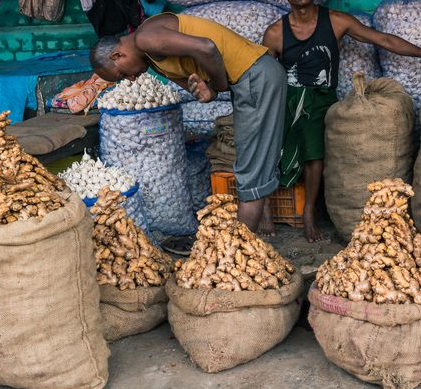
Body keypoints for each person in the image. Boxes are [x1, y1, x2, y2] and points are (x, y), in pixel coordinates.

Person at [262, 0, 421, 243]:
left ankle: (308, 213)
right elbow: (264, 75)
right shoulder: (275, 33)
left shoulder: (337, 21)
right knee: (270, 143)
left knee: (316, 155)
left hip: (321, 98)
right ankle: (266, 205)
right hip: (287, 98)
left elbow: (384, 41)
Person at [89, 13, 286, 238]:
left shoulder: (145, 38)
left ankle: (237, 249)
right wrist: (208, 90)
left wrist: (218, 86)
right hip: (250, 81)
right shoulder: (155, 61)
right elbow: (207, 92)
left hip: (255, 76)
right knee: (250, 159)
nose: (131, 79)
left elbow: (207, 48)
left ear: (117, 55)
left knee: (251, 169)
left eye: (122, 74)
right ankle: (249, 233)